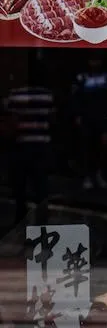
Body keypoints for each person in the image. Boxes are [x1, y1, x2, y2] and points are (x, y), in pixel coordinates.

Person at [4, 71, 55, 225]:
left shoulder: (15, 95)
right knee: (41, 185)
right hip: (42, 145)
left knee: (20, 185)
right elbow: (52, 120)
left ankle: (20, 217)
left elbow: (12, 123)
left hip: (21, 145)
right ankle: (42, 221)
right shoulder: (47, 96)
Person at [72, 58, 107, 190]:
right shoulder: (81, 77)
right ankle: (87, 176)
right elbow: (75, 97)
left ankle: (99, 174)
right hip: (86, 118)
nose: (94, 63)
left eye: (97, 60)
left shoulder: (106, 78)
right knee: (86, 146)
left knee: (102, 146)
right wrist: (77, 115)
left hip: (102, 118)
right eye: (92, 60)